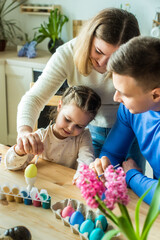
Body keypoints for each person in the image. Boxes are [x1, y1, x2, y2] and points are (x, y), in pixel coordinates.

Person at [16, 8, 145, 170]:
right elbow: (34, 98)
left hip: (131, 132)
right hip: (89, 131)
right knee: (93, 185)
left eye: (115, 58)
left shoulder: (139, 60)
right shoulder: (67, 55)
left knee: (130, 189)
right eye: (98, 51)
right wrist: (24, 131)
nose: (103, 64)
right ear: (88, 38)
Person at [90, 36, 160, 205]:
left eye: (125, 93)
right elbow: (112, 153)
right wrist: (104, 167)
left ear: (156, 94)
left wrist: (132, 176)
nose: (116, 98)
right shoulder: (130, 110)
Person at [5, 86, 101, 183]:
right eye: (67, 119)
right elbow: (11, 165)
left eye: (79, 126)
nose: (70, 128)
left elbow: (86, 161)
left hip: (66, 187)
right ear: (60, 106)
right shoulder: (41, 136)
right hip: (41, 184)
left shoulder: (83, 136)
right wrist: (20, 150)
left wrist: (83, 178)